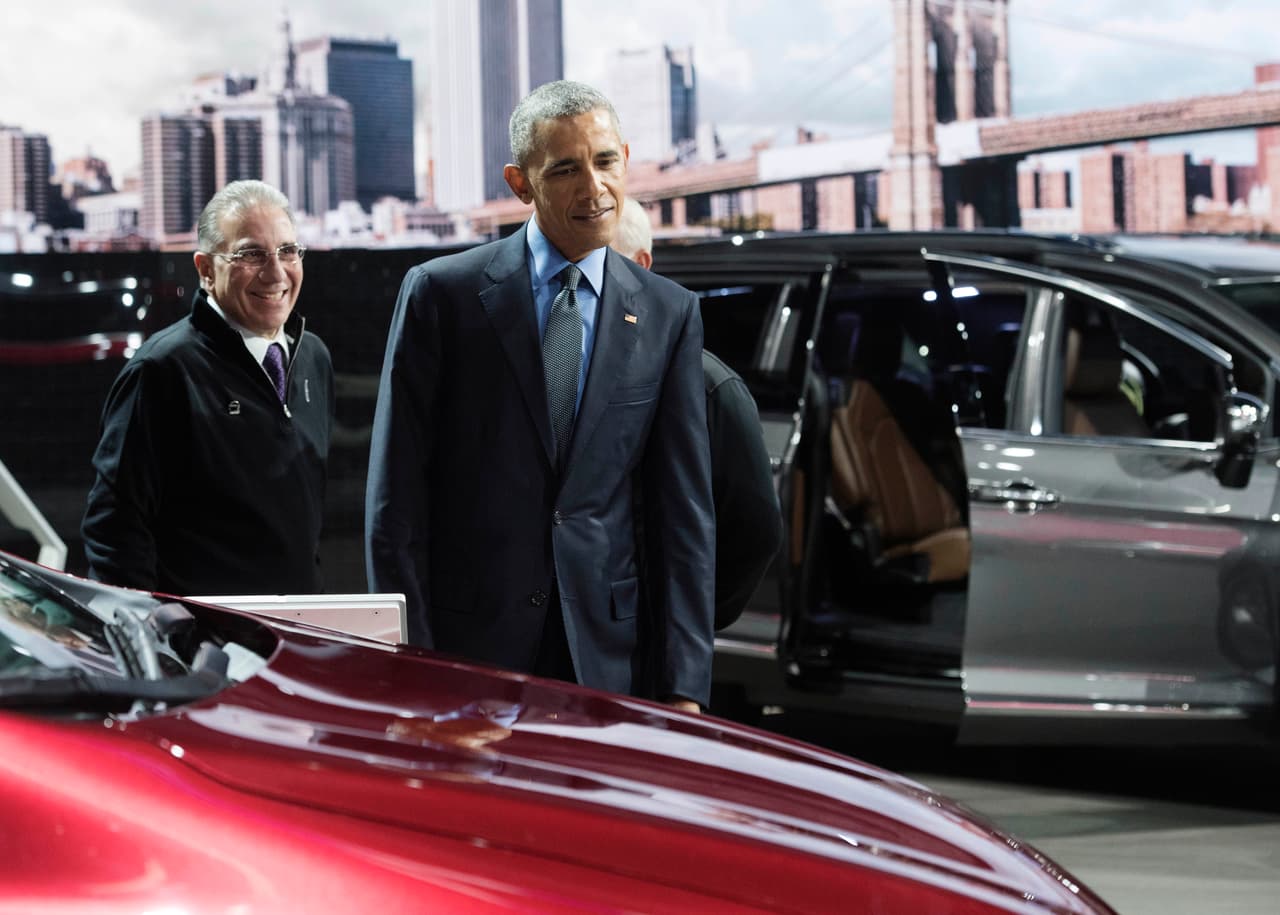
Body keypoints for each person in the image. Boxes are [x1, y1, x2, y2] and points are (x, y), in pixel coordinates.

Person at [365, 80, 714, 713]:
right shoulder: (441, 295)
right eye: (565, 170)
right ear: (520, 182)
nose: (595, 187)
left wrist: (684, 686)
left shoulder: (669, 313)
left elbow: (682, 515)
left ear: (626, 158)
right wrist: (410, 661)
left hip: (609, 658)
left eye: (606, 161)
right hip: (466, 653)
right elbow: (396, 503)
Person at [82, 179, 333, 597]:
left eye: (288, 251)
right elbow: (115, 532)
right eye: (251, 254)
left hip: (294, 637)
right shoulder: (161, 370)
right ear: (204, 270)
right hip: (201, 650)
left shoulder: (313, 358)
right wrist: (151, 648)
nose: (276, 272)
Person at [612, 198, 783, 630]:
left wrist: (683, 620)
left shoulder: (706, 385)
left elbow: (756, 531)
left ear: (642, 265)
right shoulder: (551, 368)